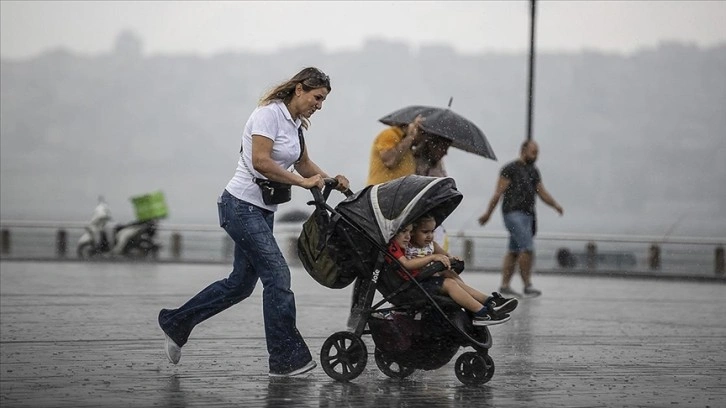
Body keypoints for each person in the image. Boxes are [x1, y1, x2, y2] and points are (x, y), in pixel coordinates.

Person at [158, 67, 350, 377]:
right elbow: (261, 161)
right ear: (299, 89)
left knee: (240, 285)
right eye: (317, 97)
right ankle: (286, 359)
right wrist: (302, 184)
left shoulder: (295, 125)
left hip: (261, 210)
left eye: (324, 100)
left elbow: (302, 163)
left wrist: (330, 180)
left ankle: (176, 322)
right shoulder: (268, 114)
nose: (320, 105)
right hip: (240, 206)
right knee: (277, 274)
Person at [387, 215, 518, 326]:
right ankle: (481, 313)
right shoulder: (396, 246)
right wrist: (432, 257)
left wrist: (452, 258)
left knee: (449, 274)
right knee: (450, 284)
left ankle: (487, 301)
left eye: (432, 232)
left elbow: (444, 254)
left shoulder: (427, 245)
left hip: (422, 279)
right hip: (413, 285)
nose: (407, 236)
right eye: (425, 232)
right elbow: (407, 264)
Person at [478, 140, 563, 298]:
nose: (535, 156)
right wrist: (488, 214)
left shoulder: (533, 171)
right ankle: (527, 285)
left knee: (514, 250)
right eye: (533, 152)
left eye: (537, 153)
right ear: (523, 150)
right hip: (512, 213)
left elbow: (541, 192)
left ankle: (504, 286)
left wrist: (555, 205)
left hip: (528, 214)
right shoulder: (510, 169)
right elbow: (498, 193)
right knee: (527, 248)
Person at [366, 115, 425, 186]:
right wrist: (410, 136)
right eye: (420, 130)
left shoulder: (407, 144)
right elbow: (390, 161)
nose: (423, 136)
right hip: (384, 190)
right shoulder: (389, 134)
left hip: (400, 191)